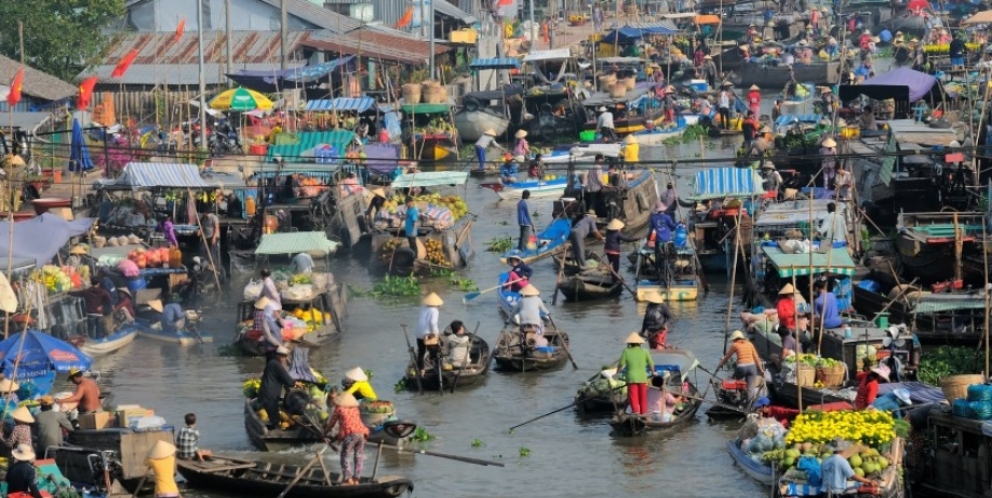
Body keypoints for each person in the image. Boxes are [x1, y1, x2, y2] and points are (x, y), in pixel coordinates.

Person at [323, 393, 369, 486]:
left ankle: (348, 479)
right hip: (362, 433)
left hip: (351, 434)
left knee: (344, 455)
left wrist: (324, 432)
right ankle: (357, 479)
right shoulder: (355, 409)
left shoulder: (339, 408)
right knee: (358, 455)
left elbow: (332, 423)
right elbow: (351, 422)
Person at [715, 331, 765, 402]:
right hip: (752, 367)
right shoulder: (749, 344)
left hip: (742, 367)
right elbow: (756, 357)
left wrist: (720, 365)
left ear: (735, 339)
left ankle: (733, 397)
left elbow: (727, 357)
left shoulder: (735, 345)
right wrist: (761, 370)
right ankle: (749, 406)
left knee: (732, 381)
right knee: (750, 388)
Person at [258, 346, 296, 430]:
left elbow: (283, 380)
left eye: (285, 356)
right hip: (270, 396)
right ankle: (276, 432)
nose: (284, 359)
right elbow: (288, 380)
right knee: (275, 419)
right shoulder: (276, 364)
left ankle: (275, 427)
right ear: (278, 356)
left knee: (273, 416)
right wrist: (295, 383)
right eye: (283, 356)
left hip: (266, 395)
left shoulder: (271, 363)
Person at [617, 332, 655, 416]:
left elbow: (621, 364)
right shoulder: (645, 351)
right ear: (639, 343)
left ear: (629, 343)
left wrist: (617, 372)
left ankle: (636, 412)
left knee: (633, 396)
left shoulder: (626, 351)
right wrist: (653, 372)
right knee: (643, 397)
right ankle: (643, 413)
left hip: (631, 378)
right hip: (642, 377)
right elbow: (651, 363)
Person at [648, 202, 678, 279]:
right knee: (672, 257)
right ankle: (672, 272)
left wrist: (648, 239)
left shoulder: (653, 218)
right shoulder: (667, 217)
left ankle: (657, 273)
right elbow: (672, 227)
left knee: (658, 259)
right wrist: (679, 223)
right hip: (668, 241)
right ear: (663, 210)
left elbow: (651, 231)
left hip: (659, 242)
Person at [416, 293, 443, 376]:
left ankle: (421, 371)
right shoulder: (434, 311)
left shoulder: (423, 308)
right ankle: (437, 370)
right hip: (428, 335)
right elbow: (432, 323)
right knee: (436, 353)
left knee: (421, 353)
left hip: (419, 334)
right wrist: (436, 333)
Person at [200, 211, 223, 282]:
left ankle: (215, 267)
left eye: (206, 214)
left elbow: (216, 228)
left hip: (214, 237)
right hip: (206, 237)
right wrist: (200, 232)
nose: (205, 215)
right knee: (202, 249)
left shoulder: (213, 218)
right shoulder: (204, 218)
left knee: (213, 253)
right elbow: (202, 227)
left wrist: (214, 238)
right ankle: (206, 264)